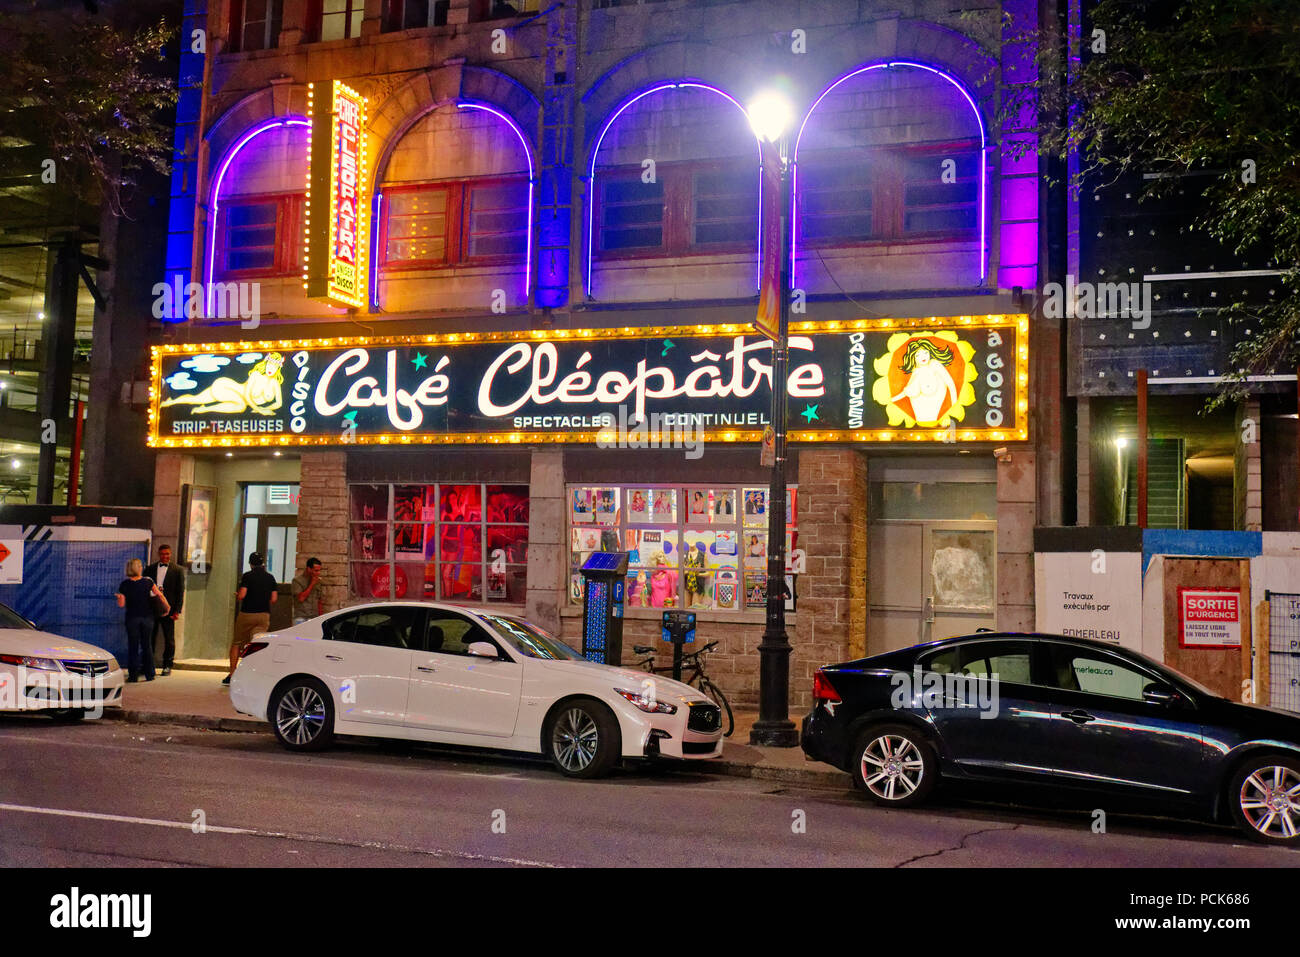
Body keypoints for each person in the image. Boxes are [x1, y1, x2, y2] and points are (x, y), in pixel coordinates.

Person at [226, 552, 277, 685]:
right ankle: (255, 674)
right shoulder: (270, 577)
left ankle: (232, 674)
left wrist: (238, 595)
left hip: (247, 614)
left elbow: (242, 595)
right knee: (257, 645)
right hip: (263, 615)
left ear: (250, 563)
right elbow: (274, 598)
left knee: (237, 642)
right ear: (262, 563)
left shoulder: (247, 576)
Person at [117, 558, 169, 683]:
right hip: (147, 618)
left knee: (133, 646)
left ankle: (133, 675)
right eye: (140, 566)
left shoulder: (124, 584)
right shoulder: (148, 582)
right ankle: (150, 674)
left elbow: (121, 604)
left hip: (132, 618)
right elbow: (159, 595)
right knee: (147, 645)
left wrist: (119, 597)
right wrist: (167, 607)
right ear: (138, 568)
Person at [145, 544, 185, 676]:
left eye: (167, 554)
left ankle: (168, 665)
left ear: (171, 554)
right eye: (163, 554)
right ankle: (148, 665)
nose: (165, 556)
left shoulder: (177, 570)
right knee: (150, 637)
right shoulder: (150, 569)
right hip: (152, 609)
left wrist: (177, 611)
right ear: (158, 554)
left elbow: (180, 592)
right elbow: (145, 589)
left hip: (169, 610)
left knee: (169, 638)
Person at [291, 557, 323, 624]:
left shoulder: (318, 582)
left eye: (319, 570)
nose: (318, 573)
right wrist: (312, 584)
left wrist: (321, 617)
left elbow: (319, 601)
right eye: (316, 570)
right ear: (309, 569)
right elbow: (301, 598)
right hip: (301, 617)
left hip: (314, 617)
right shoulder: (297, 581)